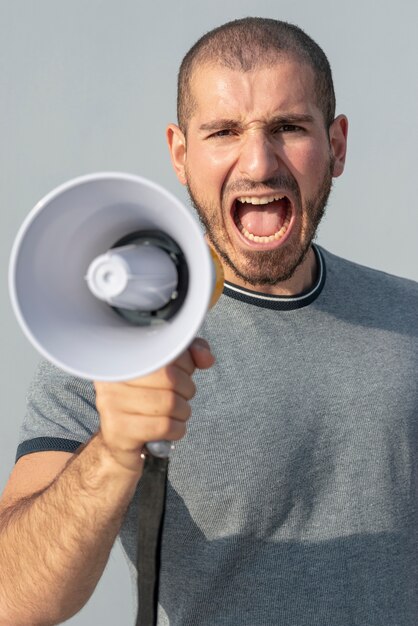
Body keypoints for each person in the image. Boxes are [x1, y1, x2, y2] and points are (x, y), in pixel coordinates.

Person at [1, 16, 418, 626]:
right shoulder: (102, 340)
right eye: (222, 131)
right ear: (179, 152)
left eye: (288, 127)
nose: (257, 163)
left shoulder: (409, 322)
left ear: (338, 145)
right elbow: (12, 599)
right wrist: (115, 452)